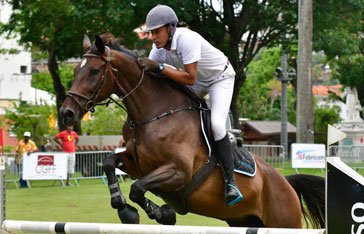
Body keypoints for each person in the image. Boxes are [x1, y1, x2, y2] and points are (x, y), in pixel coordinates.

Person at [138, 5, 242, 206]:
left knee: (217, 125)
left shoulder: (187, 39)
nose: (153, 36)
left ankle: (231, 182)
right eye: (150, 32)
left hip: (219, 78)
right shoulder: (157, 50)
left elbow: (189, 77)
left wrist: (160, 68)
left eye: (157, 31)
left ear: (170, 28)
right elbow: (151, 80)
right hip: (198, 82)